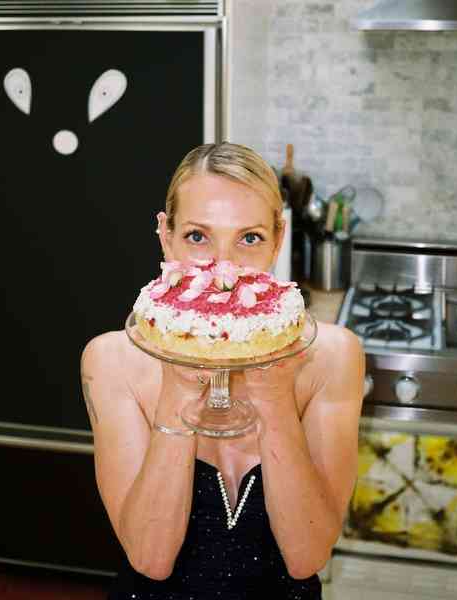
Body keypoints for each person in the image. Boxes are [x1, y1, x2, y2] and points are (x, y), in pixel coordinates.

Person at [81, 142, 365, 599]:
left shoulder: (332, 356)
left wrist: (273, 397)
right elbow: (150, 559)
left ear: (278, 238)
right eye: (197, 236)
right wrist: (177, 382)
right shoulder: (111, 360)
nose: (224, 269)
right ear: (165, 236)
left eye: (249, 238)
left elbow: (308, 557)